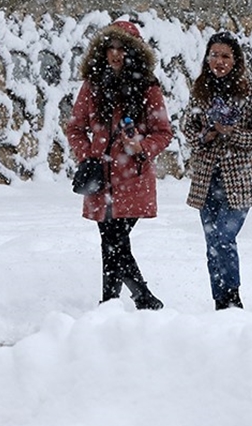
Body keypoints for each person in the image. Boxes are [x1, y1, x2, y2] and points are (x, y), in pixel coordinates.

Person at [66, 19, 173, 310]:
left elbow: (163, 132)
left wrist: (141, 147)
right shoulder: (92, 85)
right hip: (100, 179)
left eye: (122, 48)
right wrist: (88, 155)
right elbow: (75, 128)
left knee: (114, 241)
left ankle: (133, 300)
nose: (115, 54)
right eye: (110, 48)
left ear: (134, 52)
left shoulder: (147, 87)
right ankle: (120, 302)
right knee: (112, 242)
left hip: (132, 178)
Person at [181, 32, 252, 310]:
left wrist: (232, 133)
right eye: (214, 55)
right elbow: (186, 127)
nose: (219, 61)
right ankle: (219, 300)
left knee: (223, 237)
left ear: (236, 61)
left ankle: (232, 296)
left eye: (226, 56)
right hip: (207, 180)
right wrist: (204, 135)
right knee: (212, 242)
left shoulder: (250, 92)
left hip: (239, 181)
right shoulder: (200, 91)